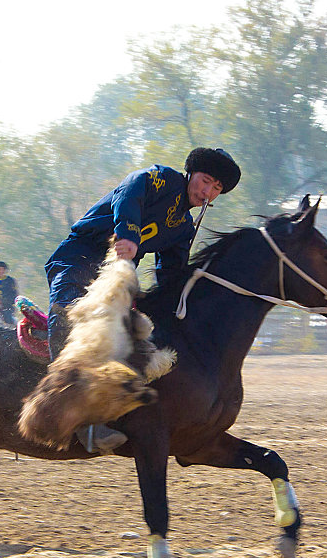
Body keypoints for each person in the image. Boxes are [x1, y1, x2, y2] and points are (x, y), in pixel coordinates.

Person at [44, 146, 241, 453]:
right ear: (191, 173)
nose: (207, 192)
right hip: (78, 258)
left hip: (115, 277)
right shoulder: (160, 179)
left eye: (216, 189)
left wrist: (194, 296)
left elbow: (170, 274)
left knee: (133, 337)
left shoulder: (184, 228)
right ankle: (68, 408)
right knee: (69, 315)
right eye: (205, 181)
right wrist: (127, 235)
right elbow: (130, 191)